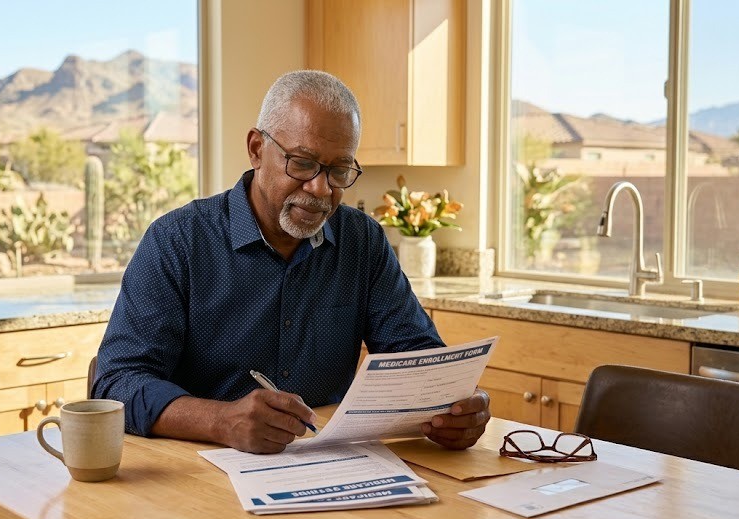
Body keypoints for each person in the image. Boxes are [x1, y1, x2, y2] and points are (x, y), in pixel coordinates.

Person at [93, 69, 490, 454]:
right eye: (301, 163)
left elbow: (416, 356)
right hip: (195, 474)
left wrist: (454, 404)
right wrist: (221, 421)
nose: (320, 189)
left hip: (330, 468)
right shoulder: (177, 241)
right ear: (256, 149)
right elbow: (117, 382)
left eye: (338, 170)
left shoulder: (362, 241)